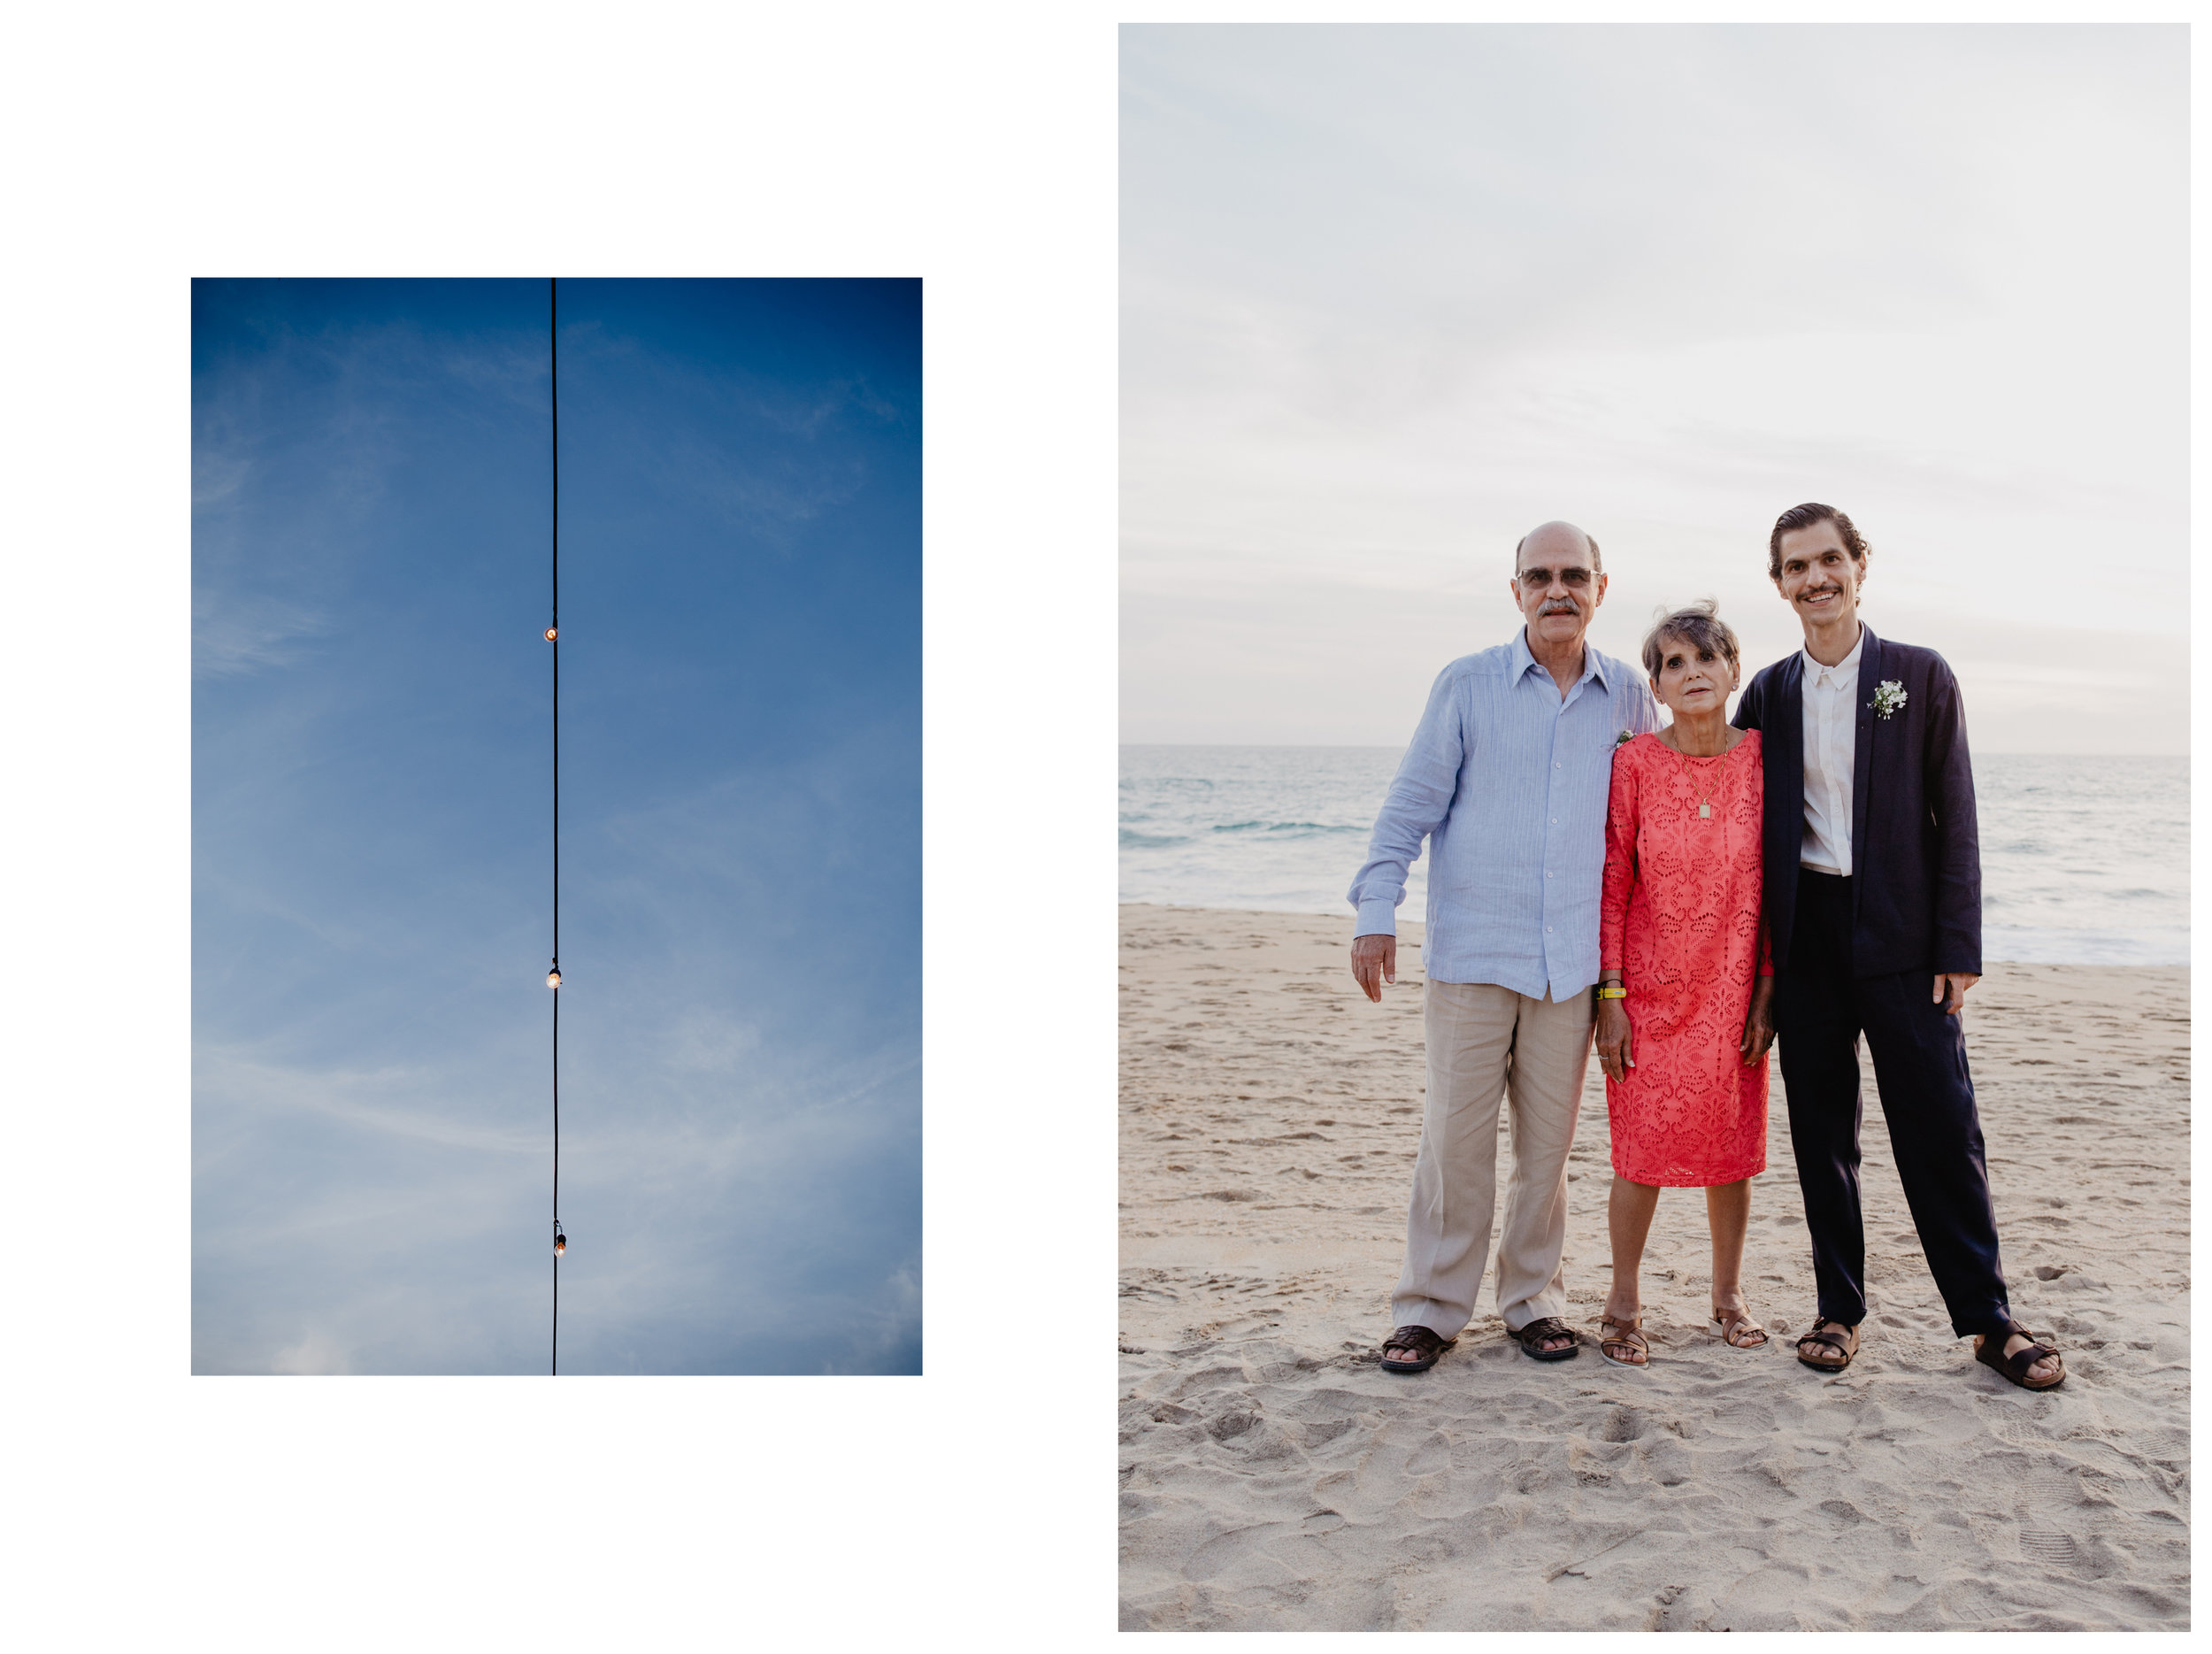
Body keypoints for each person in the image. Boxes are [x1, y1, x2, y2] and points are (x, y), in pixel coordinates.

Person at [1732, 503, 2062, 1390]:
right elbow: (1741, 827)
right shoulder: (1765, 693)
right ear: (1778, 585)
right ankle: (1837, 1308)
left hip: (1908, 942)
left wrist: (1959, 946)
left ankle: (1988, 1320)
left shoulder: (1919, 675)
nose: (1815, 580)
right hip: (1806, 946)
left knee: (1941, 1129)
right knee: (1820, 1134)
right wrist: (1755, 966)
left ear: (1858, 566)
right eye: (1795, 567)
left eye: (1828, 560)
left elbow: (1955, 818)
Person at [1348, 521, 1660, 1373]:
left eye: (1573, 575)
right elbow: (1409, 804)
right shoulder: (1468, 685)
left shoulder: (1631, 695)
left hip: (1571, 968)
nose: (1556, 590)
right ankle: (1431, 1308)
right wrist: (1378, 906)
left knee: (1548, 1151)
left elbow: (1654, 823)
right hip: (1473, 958)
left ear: (1602, 586)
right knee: (1454, 1144)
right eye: (1539, 576)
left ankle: (1532, 1301)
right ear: (1515, 589)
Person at [1591, 604, 1776, 1368]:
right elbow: (1612, 882)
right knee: (1638, 1151)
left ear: (1734, 669)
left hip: (1734, 989)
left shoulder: (1766, 757)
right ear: (1658, 686)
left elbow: (1777, 886)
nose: (1693, 672)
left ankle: (1728, 1296)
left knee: (1729, 1148)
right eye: (1674, 663)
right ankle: (1623, 1300)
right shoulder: (1633, 762)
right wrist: (1611, 998)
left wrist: (1768, 990)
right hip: (1647, 993)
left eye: (1707, 658)